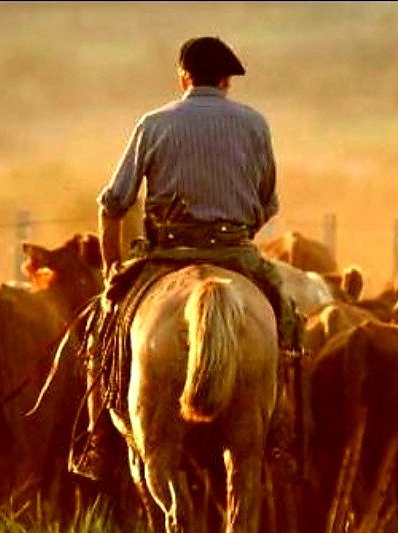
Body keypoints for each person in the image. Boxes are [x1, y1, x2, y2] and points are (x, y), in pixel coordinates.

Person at [70, 36, 302, 483]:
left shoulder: (153, 124)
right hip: (235, 249)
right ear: (227, 81)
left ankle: (99, 440)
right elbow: (268, 203)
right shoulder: (255, 124)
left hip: (165, 254)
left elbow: (113, 203)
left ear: (183, 78)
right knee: (286, 322)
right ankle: (280, 433)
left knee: (103, 328)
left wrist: (111, 268)